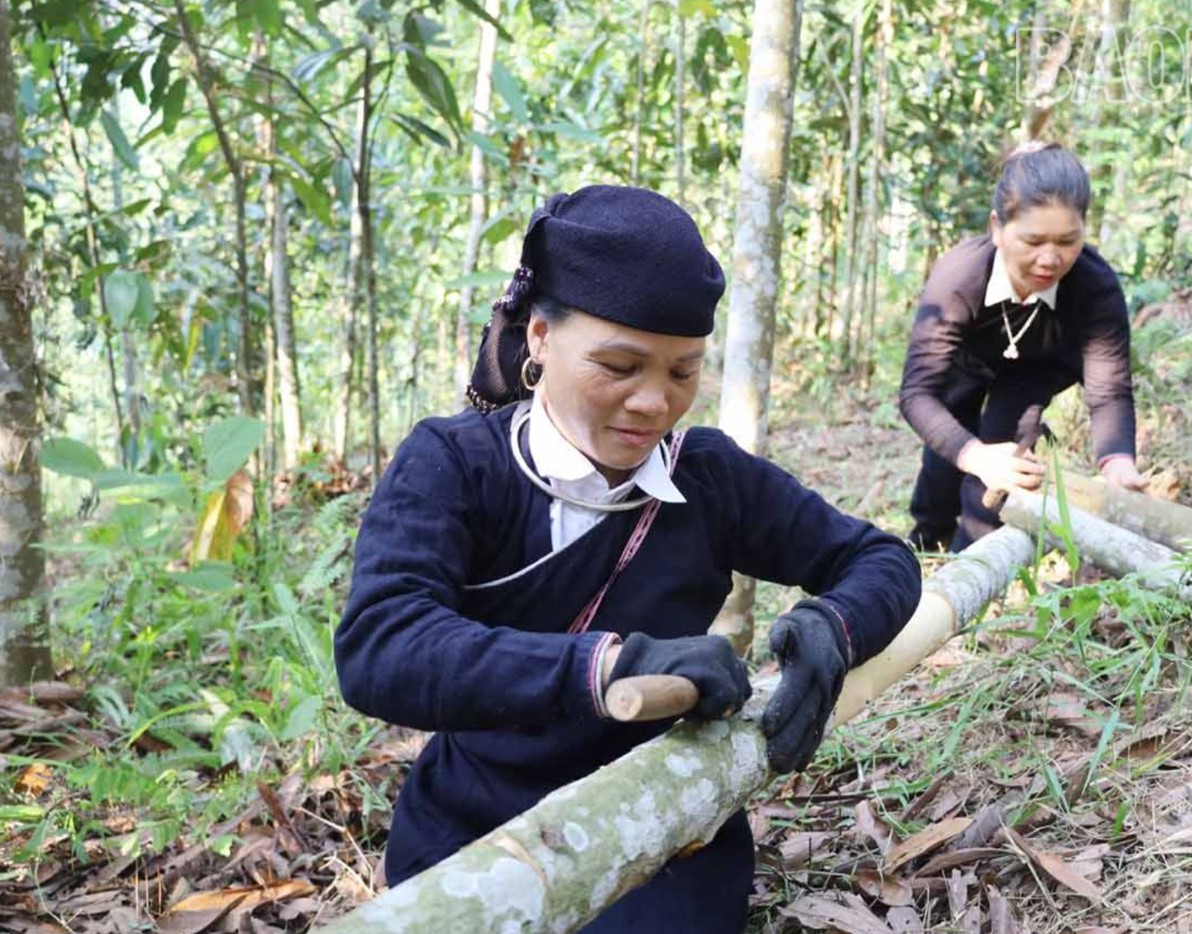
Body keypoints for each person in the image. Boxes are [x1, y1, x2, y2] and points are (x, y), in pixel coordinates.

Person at [335, 185, 921, 931]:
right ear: (540, 337)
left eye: (682, 373)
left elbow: (881, 559)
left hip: (660, 823)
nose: (654, 402)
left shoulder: (706, 475)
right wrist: (608, 668)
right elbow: (381, 647)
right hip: (469, 822)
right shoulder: (454, 464)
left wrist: (834, 629)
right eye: (620, 366)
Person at [899, 142, 1146, 552]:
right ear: (997, 227)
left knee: (1007, 460)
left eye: (1068, 241)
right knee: (946, 457)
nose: (1050, 258)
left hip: (1039, 365)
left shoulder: (1095, 287)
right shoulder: (959, 277)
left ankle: (969, 565)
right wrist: (972, 454)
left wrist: (1118, 461)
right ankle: (925, 547)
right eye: (1032, 241)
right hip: (969, 358)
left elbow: (1109, 390)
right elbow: (917, 393)